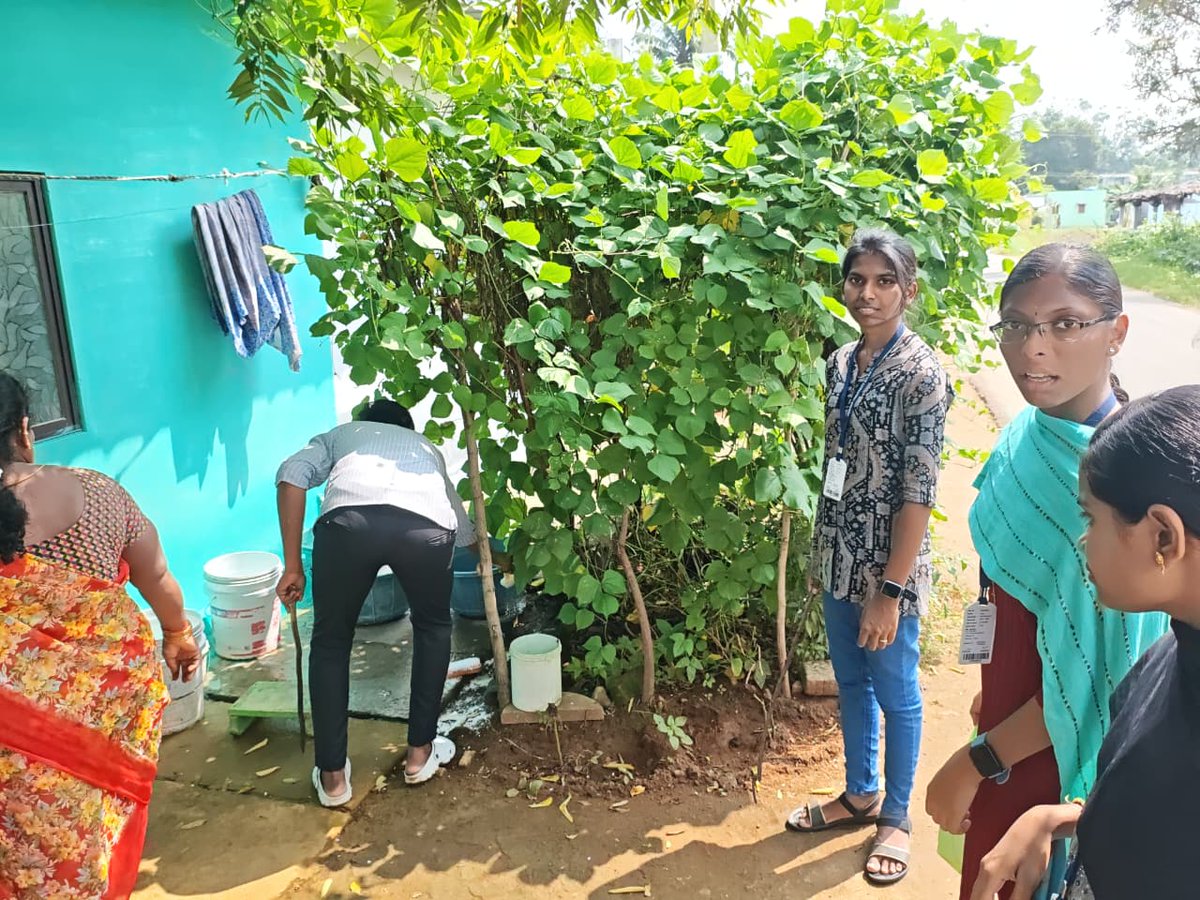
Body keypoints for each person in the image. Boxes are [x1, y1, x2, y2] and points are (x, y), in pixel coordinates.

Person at [926, 244, 1168, 900]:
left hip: (1043, 762)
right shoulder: (1028, 434)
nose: (1034, 348)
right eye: (1017, 325)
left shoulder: (1112, 500)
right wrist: (988, 695)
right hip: (1003, 718)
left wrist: (975, 761)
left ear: (1116, 332)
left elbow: (1098, 682)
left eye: (1066, 324)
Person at [971, 385, 1200, 900]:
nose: (1081, 540)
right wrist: (1072, 817)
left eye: (1091, 519)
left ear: (1163, 536)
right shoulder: (1169, 653)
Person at [786, 228, 953, 886]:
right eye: (858, 279)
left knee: (897, 692)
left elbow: (918, 489)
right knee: (850, 682)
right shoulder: (841, 363)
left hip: (890, 570)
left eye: (886, 281)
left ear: (909, 291)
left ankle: (898, 816)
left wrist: (890, 589)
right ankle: (859, 794)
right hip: (838, 558)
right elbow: (835, 463)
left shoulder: (922, 375)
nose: (869, 293)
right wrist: (825, 548)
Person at [0, 373, 199, 898]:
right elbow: (156, 576)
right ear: (24, 432)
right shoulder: (96, 492)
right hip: (103, 719)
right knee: (91, 838)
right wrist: (177, 632)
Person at [275, 398, 478, 808]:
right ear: (407, 426)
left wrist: (293, 565)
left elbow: (291, 475)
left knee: (331, 642)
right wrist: (486, 558)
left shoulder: (342, 435)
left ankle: (332, 777)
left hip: (348, 527)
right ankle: (420, 754)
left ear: (363, 423)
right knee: (434, 627)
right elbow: (461, 525)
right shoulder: (425, 449)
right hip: (425, 530)